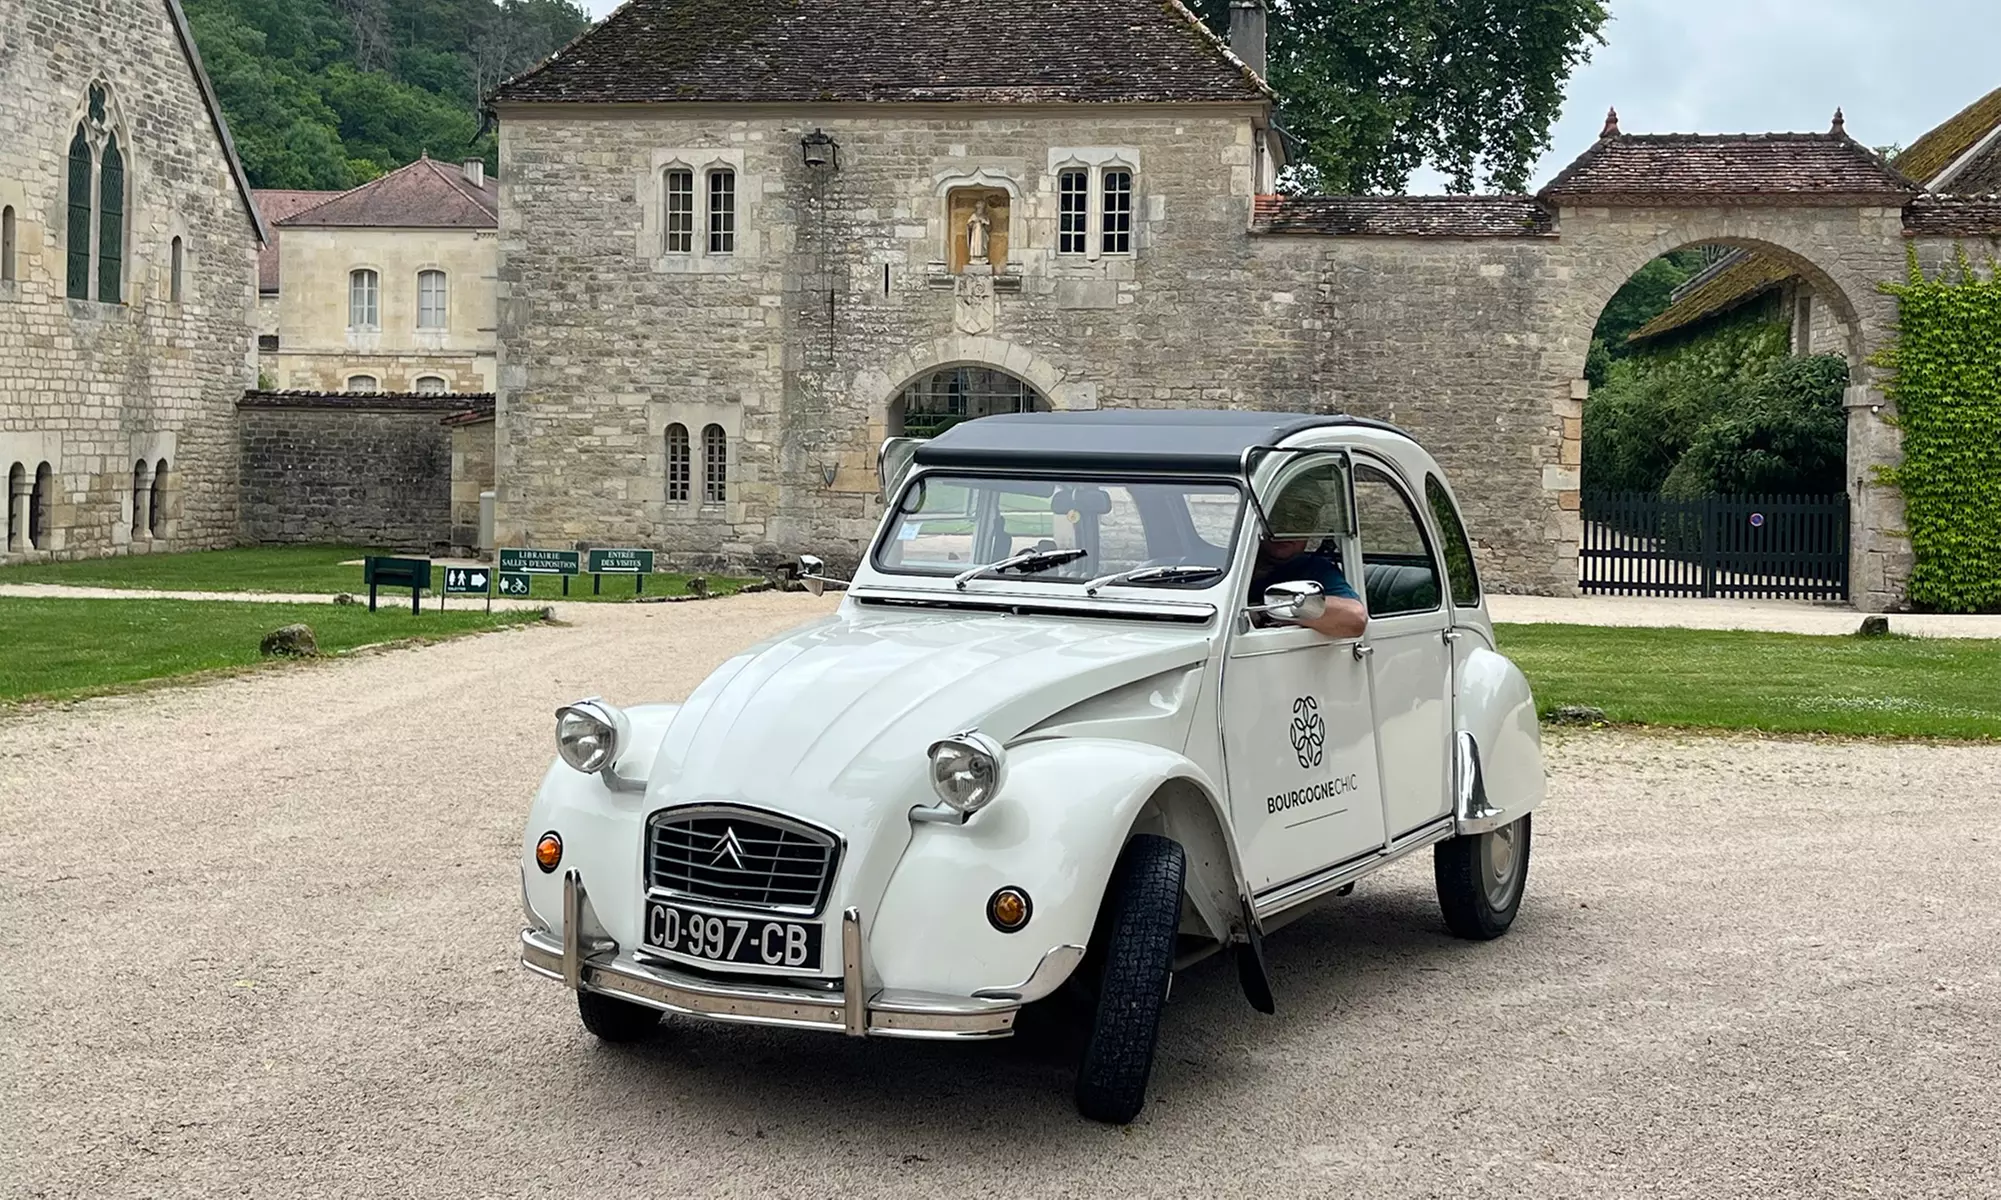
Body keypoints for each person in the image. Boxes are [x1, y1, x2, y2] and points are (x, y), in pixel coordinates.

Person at [1251, 485, 1370, 639]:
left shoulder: (1313, 570)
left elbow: (1355, 617)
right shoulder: (1231, 564)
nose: (1286, 528)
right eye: (1277, 516)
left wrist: (1272, 608)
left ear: (1311, 528)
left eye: (1301, 521)